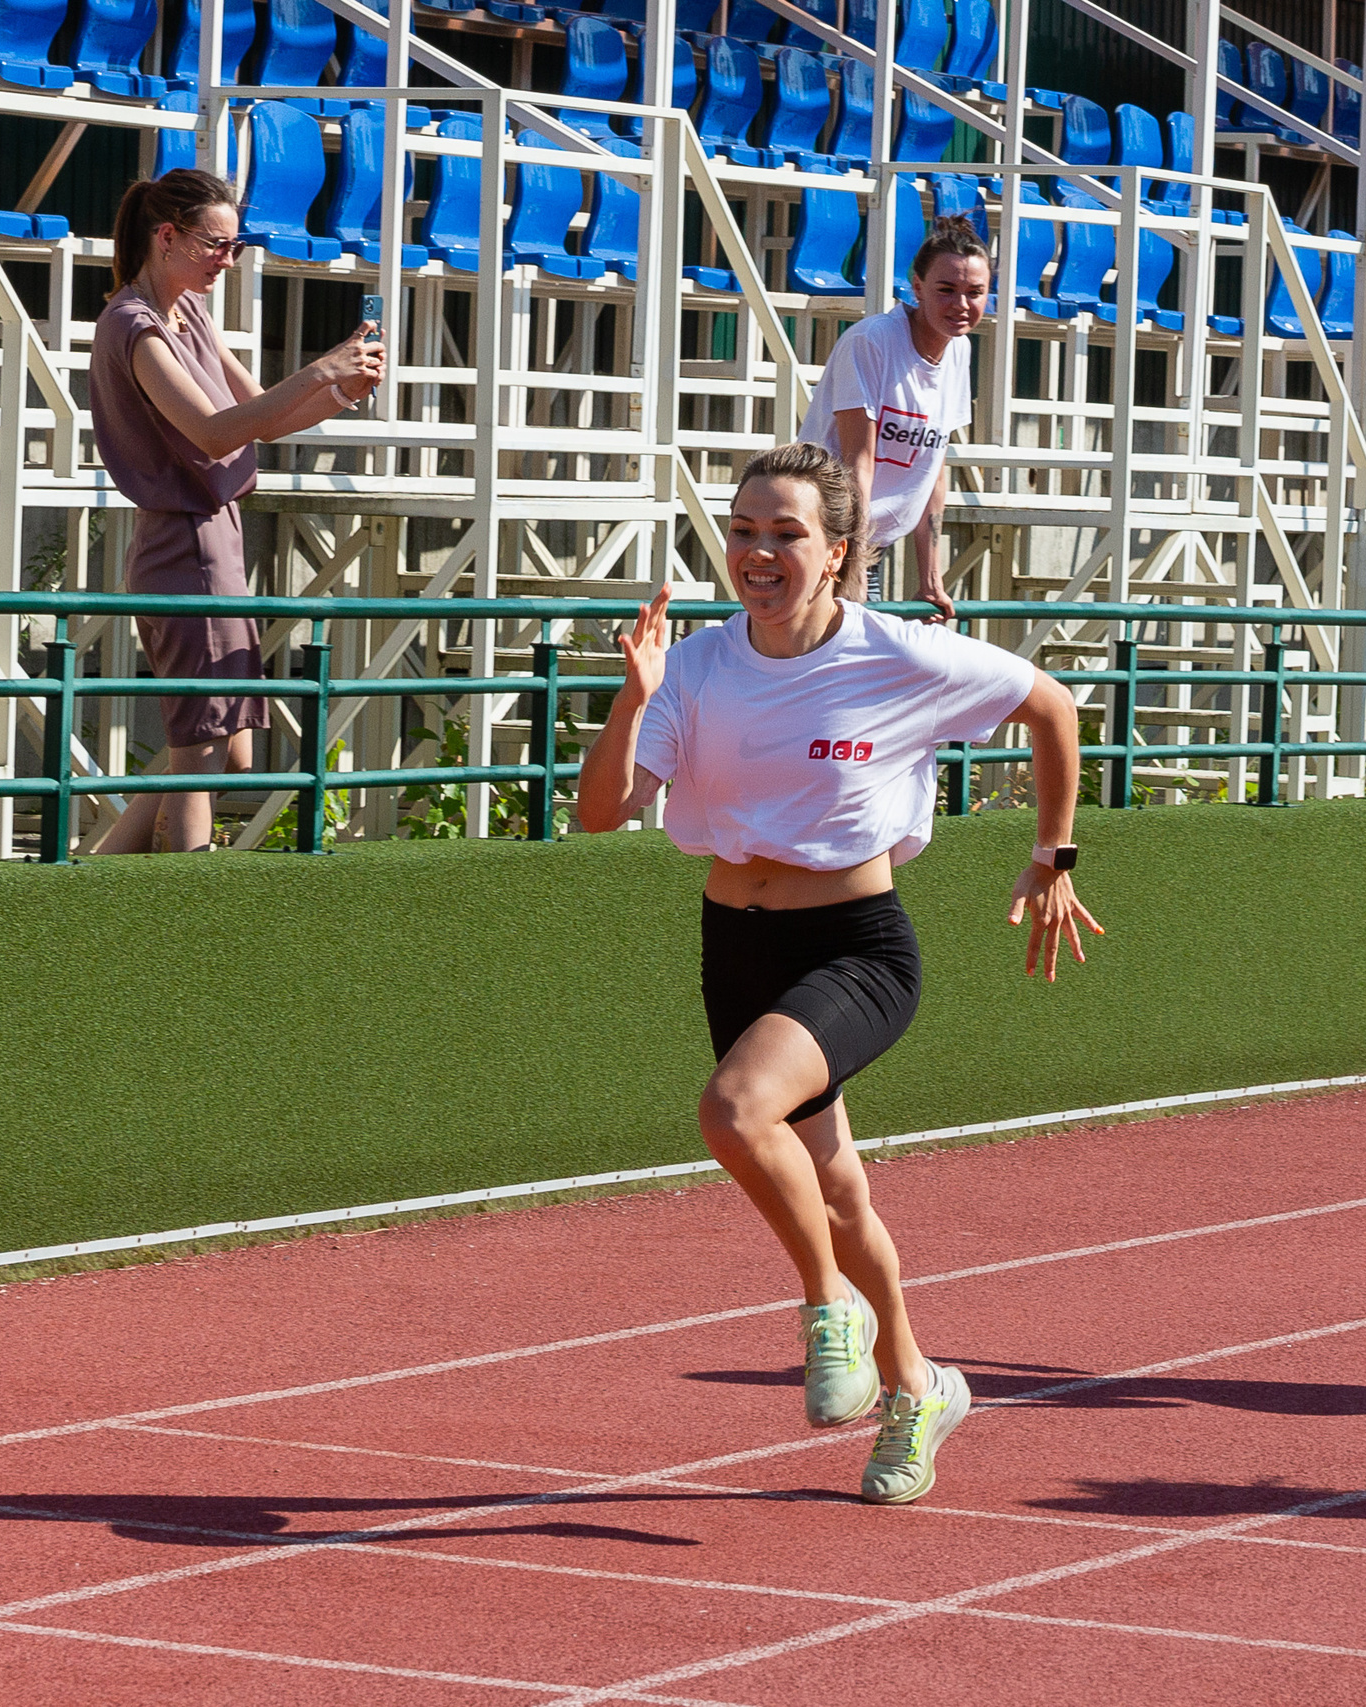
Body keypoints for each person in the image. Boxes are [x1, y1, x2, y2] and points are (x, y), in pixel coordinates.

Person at [577, 442, 1102, 1505]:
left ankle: (829, 1309)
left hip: (856, 948)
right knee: (838, 1186)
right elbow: (600, 812)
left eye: (786, 533)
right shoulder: (694, 666)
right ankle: (919, 1385)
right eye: (743, 530)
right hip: (735, 947)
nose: (758, 552)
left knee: (732, 1113)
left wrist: (1053, 856)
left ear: (839, 550)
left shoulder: (898, 655)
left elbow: (1051, 707)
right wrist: (631, 701)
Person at [84, 169, 384, 854]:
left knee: (227, 750)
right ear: (168, 237)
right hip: (183, 541)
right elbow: (215, 430)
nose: (227, 259)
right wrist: (324, 370)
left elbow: (261, 419)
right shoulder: (136, 324)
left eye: (233, 245)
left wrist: (339, 387)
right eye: (216, 245)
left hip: (213, 537)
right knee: (202, 753)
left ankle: (97, 876)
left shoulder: (186, 312)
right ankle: (173, 906)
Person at [796, 215, 992, 623]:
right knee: (821, 665)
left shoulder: (959, 350)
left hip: (872, 544)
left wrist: (931, 579)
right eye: (946, 290)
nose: (960, 305)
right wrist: (848, 566)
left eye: (975, 293)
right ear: (917, 287)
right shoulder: (872, 341)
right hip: (824, 538)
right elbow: (857, 463)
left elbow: (933, 468)